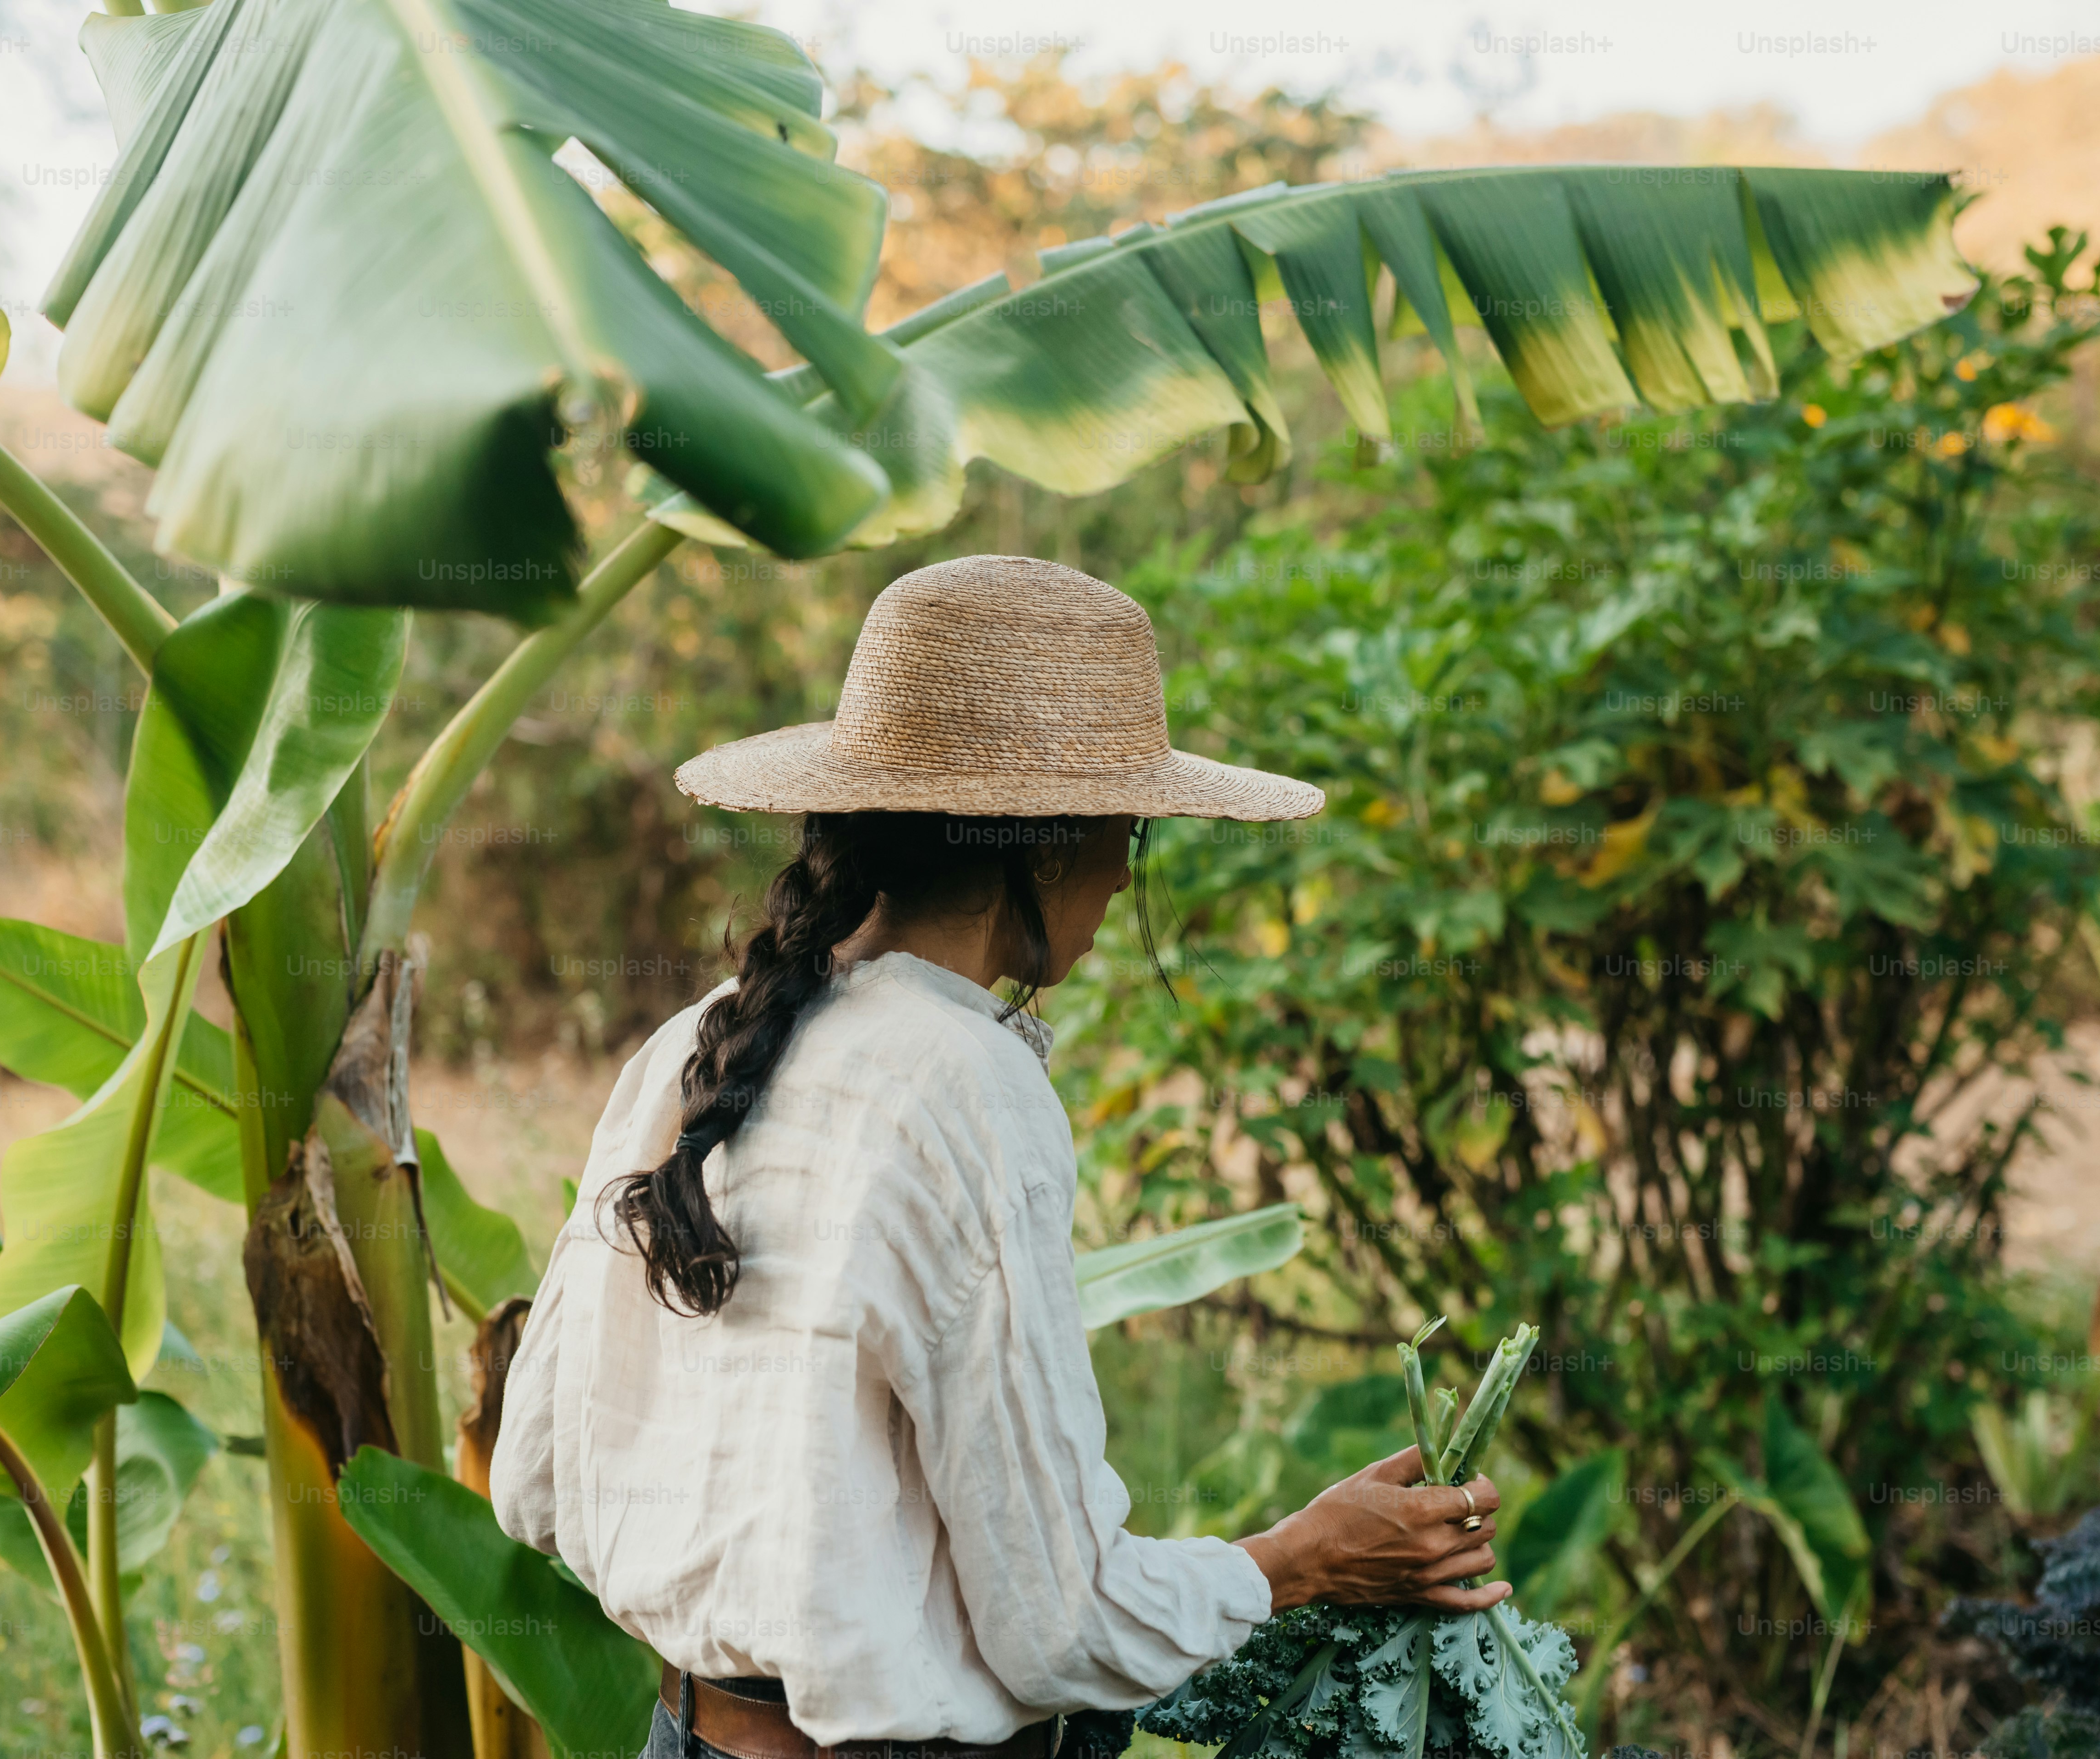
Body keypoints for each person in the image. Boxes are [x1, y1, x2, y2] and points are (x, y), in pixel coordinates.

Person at [493, 556, 1509, 1759]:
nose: (1132, 870)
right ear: (1044, 846)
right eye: (1130, 827)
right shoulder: (966, 1081)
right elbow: (1058, 1625)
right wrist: (1297, 1560)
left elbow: (535, 1485)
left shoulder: (691, 1046)